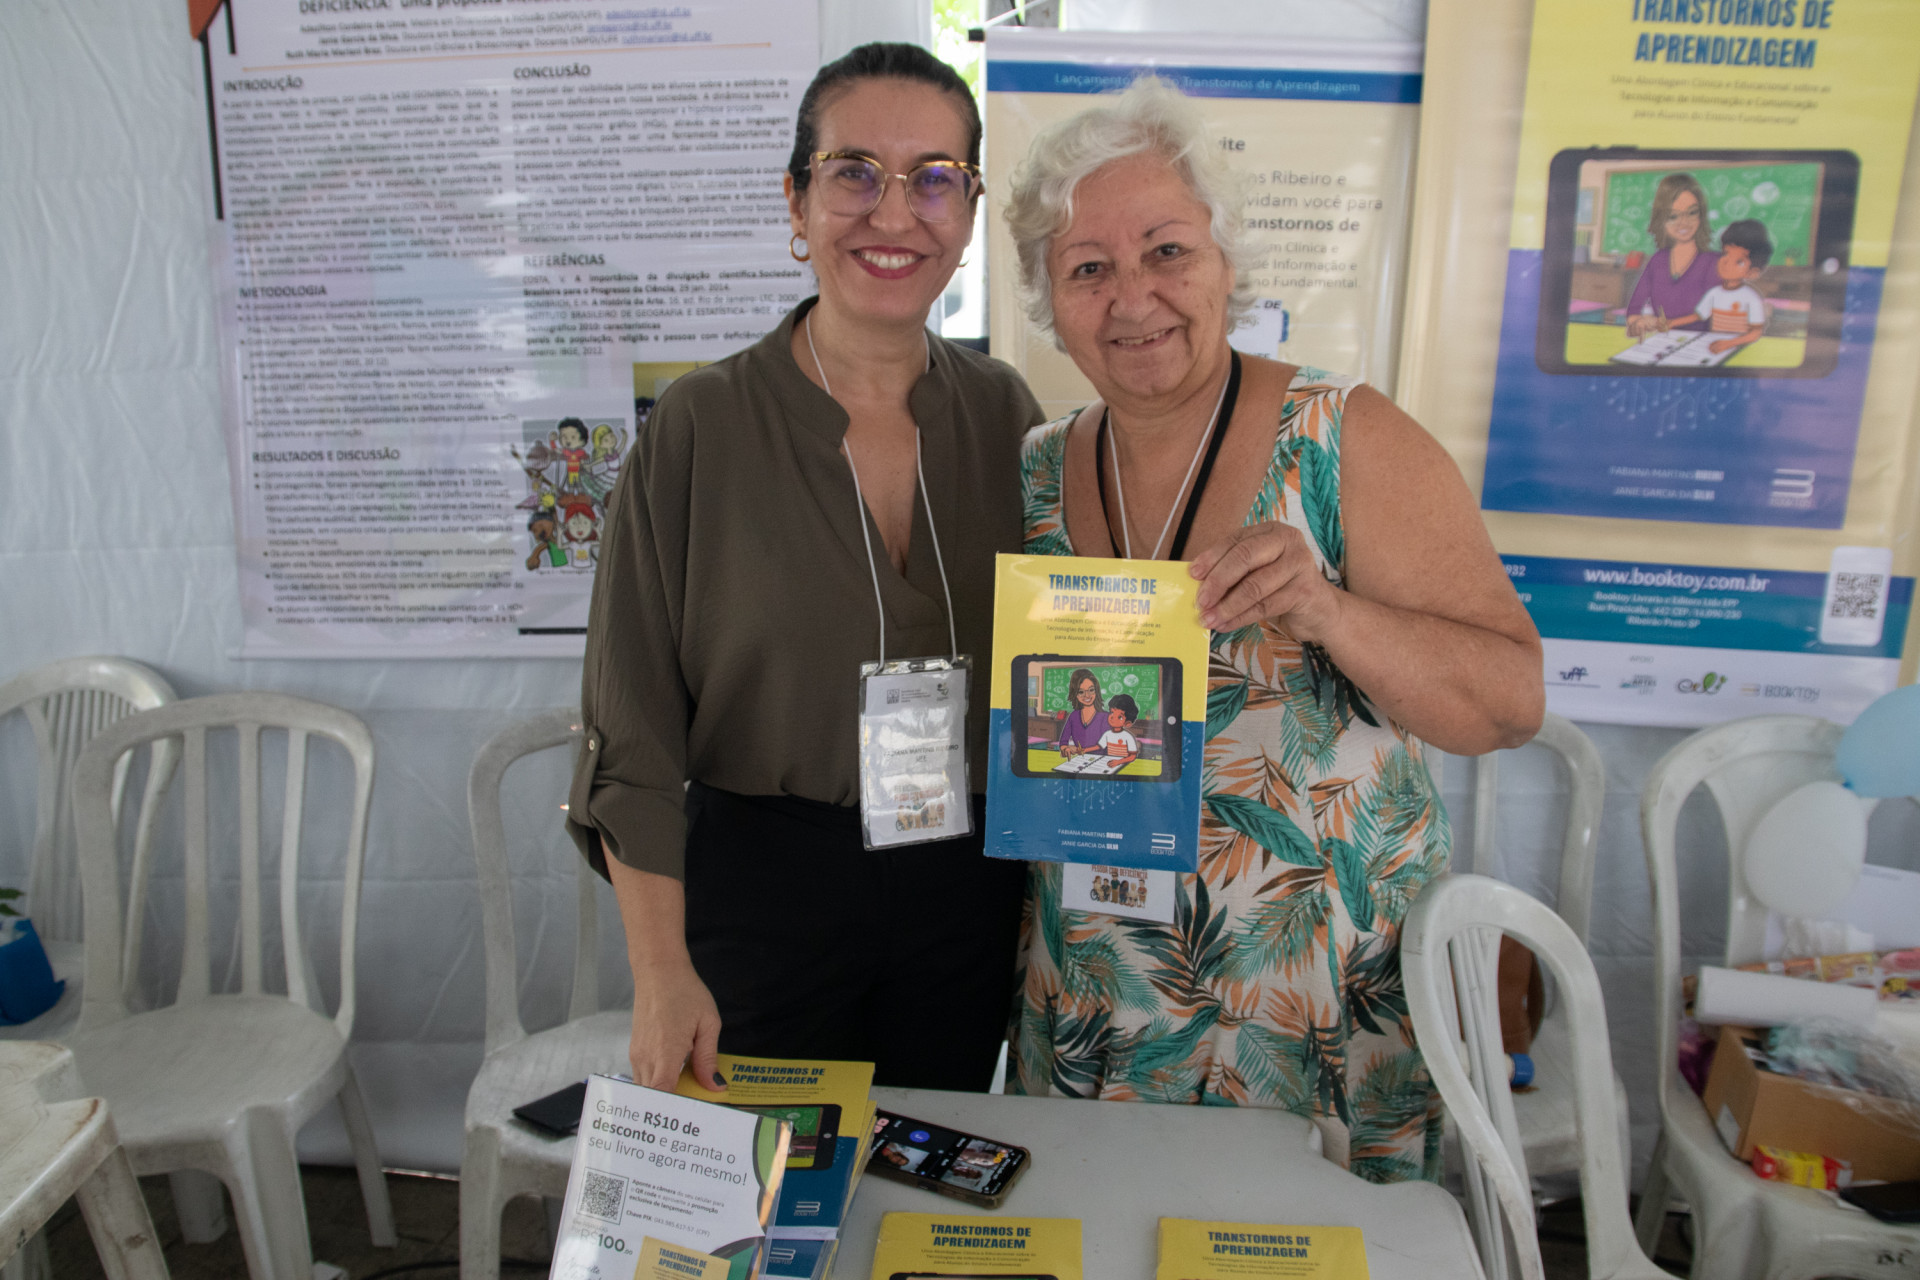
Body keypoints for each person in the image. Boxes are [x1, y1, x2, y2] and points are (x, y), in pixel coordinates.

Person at [1001, 77, 1543, 1181]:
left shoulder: (1345, 438)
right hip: (1099, 991)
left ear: (1226, 260)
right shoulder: (1040, 468)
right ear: (1049, 299)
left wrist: (1329, 609)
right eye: (1088, 268)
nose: (1134, 297)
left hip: (1314, 1002)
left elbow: (1509, 704)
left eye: (1167, 251)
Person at [568, 43, 1044, 1093]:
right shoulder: (701, 428)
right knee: (765, 1185)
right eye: (854, 172)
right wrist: (660, 973)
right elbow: (630, 736)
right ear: (796, 200)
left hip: (964, 892)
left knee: (923, 1167)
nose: (894, 212)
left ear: (968, 214)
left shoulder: (1006, 416)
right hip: (763, 892)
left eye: (934, 178)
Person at [1623, 173, 1717, 338]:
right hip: (1662, 342)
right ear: (1661, 219)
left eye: (1692, 212)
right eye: (1673, 216)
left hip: (1701, 346)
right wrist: (1638, 322)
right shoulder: (1657, 260)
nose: (1684, 222)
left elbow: (1717, 314)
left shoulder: (1714, 262)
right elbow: (1634, 309)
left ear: (1701, 215)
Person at [1694, 218, 1772, 356]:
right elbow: (1698, 316)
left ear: (1752, 273)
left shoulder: (1750, 297)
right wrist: (1671, 323)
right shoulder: (1714, 293)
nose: (1726, 262)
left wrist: (1729, 344)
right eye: (1725, 254)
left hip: (1742, 352)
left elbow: (1755, 332)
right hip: (1715, 348)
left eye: (1739, 262)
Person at [1054, 667, 1105, 757]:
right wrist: (1066, 748)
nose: (1087, 695)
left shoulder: (1106, 717)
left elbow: (1107, 745)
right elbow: (1063, 742)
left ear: (1096, 691)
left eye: (1091, 690)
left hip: (1101, 761)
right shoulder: (1073, 716)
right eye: (1081, 692)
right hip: (1079, 760)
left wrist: (1084, 750)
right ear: (1075, 694)